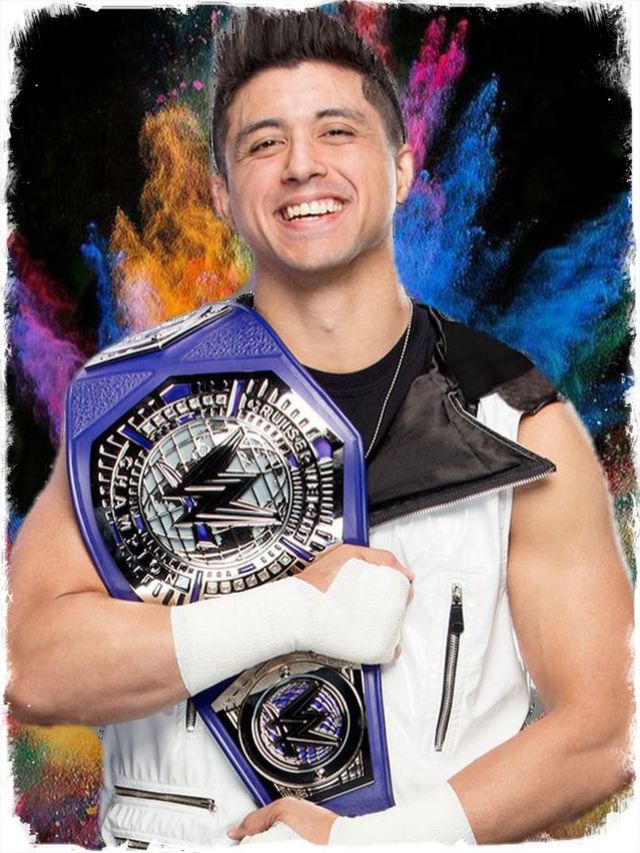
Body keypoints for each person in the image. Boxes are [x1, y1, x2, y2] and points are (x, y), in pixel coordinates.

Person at [7, 8, 632, 848]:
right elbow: (32, 666)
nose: (302, 165)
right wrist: (288, 612)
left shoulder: (515, 423)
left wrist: (369, 844)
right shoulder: (133, 404)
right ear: (222, 194)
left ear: (402, 168)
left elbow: (605, 726)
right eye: (264, 143)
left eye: (337, 131)